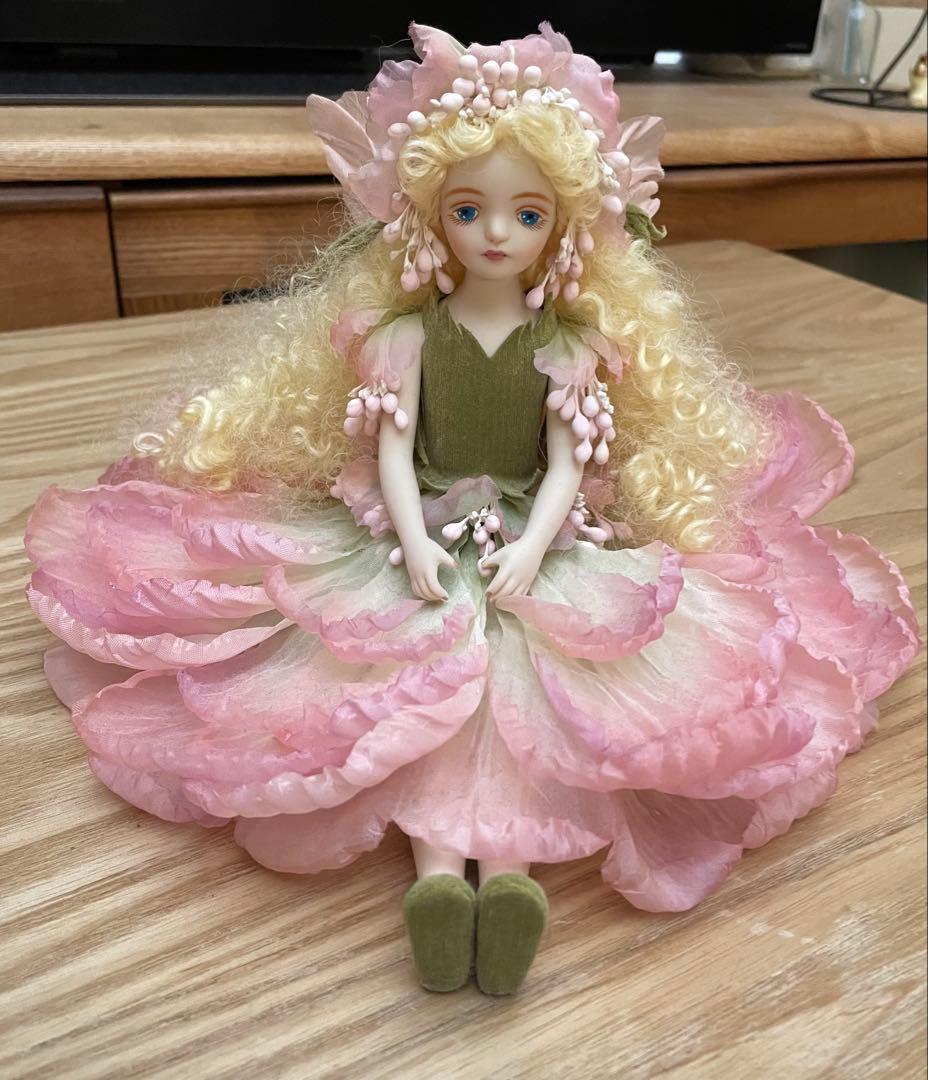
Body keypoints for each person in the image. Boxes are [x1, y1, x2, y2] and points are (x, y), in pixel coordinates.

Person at [23, 22, 920, 997]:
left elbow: (570, 466)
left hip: (544, 538)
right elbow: (392, 451)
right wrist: (412, 537)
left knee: (527, 706)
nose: (496, 233)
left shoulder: (569, 347)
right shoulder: (404, 338)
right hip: (407, 533)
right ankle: (440, 885)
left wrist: (534, 547)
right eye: (468, 208)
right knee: (426, 714)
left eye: (526, 214)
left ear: (562, 227)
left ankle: (511, 882)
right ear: (427, 216)